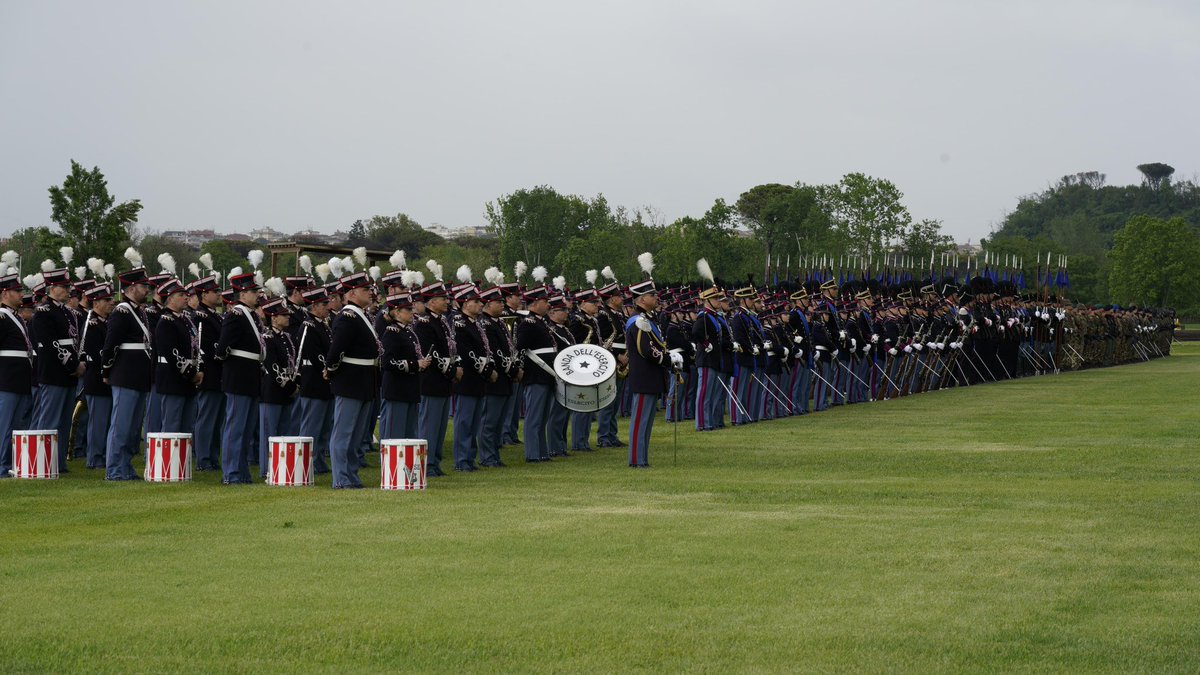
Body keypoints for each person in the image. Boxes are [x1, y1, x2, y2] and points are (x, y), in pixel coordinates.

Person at [99, 262, 157, 481]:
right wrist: (107, 370)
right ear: (131, 288)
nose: (147, 291)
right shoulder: (121, 313)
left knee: (132, 428)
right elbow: (110, 344)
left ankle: (125, 466)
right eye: (143, 287)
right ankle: (114, 468)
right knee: (121, 425)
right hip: (125, 374)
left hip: (139, 374)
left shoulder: (138, 312)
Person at [324, 270, 381, 489]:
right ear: (352, 293)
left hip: (365, 379)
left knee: (356, 435)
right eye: (366, 290)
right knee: (343, 433)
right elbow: (336, 351)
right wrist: (331, 369)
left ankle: (351, 475)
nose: (370, 293)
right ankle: (341, 477)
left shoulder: (360, 315)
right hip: (350, 381)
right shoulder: (347, 317)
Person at [31, 266, 82, 473]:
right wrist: (73, 364)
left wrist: (78, 363)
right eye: (64, 286)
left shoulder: (66, 312)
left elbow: (73, 341)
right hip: (53, 373)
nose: (68, 289)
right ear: (52, 287)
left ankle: (58, 463)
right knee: (49, 421)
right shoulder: (43, 313)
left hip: (68, 374)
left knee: (63, 422)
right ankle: (43, 463)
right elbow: (51, 344)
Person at [623, 277, 679, 468]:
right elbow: (646, 349)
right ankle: (636, 460)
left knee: (646, 422)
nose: (656, 297)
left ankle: (642, 458)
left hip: (651, 375)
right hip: (644, 374)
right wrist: (667, 359)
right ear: (640, 299)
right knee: (640, 421)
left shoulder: (648, 319)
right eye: (651, 295)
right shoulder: (638, 321)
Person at [214, 271, 263, 484]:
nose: (257, 295)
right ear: (242, 294)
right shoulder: (236, 315)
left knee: (246, 428)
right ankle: (231, 473)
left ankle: (241, 471)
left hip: (251, 374)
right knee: (235, 427)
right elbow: (223, 347)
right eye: (253, 291)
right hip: (239, 375)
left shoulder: (250, 315)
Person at [413, 281, 460, 477]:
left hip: (443, 380)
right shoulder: (424, 324)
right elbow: (430, 354)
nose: (446, 302)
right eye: (442, 299)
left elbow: (450, 348)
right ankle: (427, 464)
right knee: (430, 426)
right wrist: (451, 371)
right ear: (431, 302)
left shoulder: (440, 321)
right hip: (432, 379)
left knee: (440, 427)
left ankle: (435, 462)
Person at [451, 284, 495, 471]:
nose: (480, 304)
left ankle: (469, 458)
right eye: (476, 301)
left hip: (478, 379)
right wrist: (486, 370)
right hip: (468, 378)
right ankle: (461, 460)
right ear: (465, 304)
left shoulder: (475, 323)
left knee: (474, 421)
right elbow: (467, 353)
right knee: (464, 421)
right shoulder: (460, 324)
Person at [153, 279, 202, 433]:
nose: (186, 297)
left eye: (186, 295)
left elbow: (195, 347)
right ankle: (168, 458)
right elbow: (172, 353)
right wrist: (191, 373)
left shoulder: (186, 320)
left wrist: (199, 369)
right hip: (173, 380)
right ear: (170, 298)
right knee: (172, 427)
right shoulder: (166, 321)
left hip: (188, 381)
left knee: (187, 428)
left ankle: (183, 458)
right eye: (181, 295)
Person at [478, 285, 519, 467]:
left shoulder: (499, 323)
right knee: (489, 421)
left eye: (503, 301)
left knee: (499, 420)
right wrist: (512, 369)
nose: (502, 304)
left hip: (505, 378)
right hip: (494, 379)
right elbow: (494, 353)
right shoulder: (485, 324)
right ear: (487, 304)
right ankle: (487, 456)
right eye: (498, 302)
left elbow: (508, 349)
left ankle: (494, 454)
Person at [514, 284, 555, 463]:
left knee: (543, 416)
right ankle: (532, 453)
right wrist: (520, 370)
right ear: (534, 303)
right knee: (534, 417)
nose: (548, 304)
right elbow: (520, 349)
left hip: (546, 375)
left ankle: (542, 452)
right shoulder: (528, 323)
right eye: (545, 301)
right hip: (536, 375)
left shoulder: (541, 322)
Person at [296, 286, 335, 473]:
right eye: (323, 304)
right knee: (311, 426)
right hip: (314, 380)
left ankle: (318, 461)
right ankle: (305, 463)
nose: (328, 306)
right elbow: (309, 353)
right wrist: (326, 367)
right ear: (313, 306)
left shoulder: (323, 325)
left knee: (324, 426)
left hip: (326, 382)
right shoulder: (308, 326)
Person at [379, 290, 427, 440]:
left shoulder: (408, 332)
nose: (412, 312)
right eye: (408, 310)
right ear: (397, 312)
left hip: (410, 388)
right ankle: (391, 464)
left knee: (409, 433)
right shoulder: (392, 332)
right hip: (397, 389)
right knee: (395, 433)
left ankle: (407, 463)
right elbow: (387, 362)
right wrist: (415, 364)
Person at [258, 296, 297, 478]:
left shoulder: (287, 337)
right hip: (272, 391)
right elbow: (272, 366)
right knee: (269, 432)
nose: (288, 317)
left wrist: (295, 382)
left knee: (285, 432)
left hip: (287, 392)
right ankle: (267, 468)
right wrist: (289, 386)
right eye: (283, 315)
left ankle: (282, 467)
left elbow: (292, 362)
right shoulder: (267, 338)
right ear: (273, 317)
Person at [0, 271, 34, 478]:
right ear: (4, 293)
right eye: (16, 291)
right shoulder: (2, 316)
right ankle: (1, 465)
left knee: (17, 426)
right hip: (7, 378)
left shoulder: (15, 316)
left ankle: (10, 463)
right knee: (5, 425)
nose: (21, 294)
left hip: (20, 378)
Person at [189, 275, 224, 471]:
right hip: (209, 373)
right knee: (207, 418)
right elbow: (201, 347)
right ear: (204, 294)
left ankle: (212, 456)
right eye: (215, 292)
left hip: (219, 373)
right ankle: (203, 458)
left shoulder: (214, 315)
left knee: (216, 419)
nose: (219, 294)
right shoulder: (200, 316)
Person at [79, 284, 113, 469]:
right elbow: (96, 354)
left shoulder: (105, 322)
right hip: (97, 379)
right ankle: (94, 457)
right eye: (107, 300)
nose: (111, 303)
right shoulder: (91, 324)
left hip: (107, 379)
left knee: (106, 421)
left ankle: (102, 455)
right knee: (98, 423)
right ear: (96, 302)